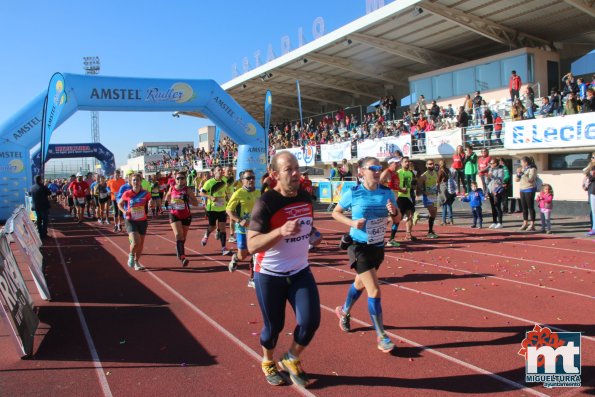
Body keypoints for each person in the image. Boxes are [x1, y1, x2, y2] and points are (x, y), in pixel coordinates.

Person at [247, 152, 320, 388]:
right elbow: (252, 245)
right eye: (289, 169)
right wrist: (280, 231)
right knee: (274, 327)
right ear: (275, 175)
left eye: (297, 168)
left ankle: (291, 356)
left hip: (300, 271)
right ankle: (268, 361)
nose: (296, 173)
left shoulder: (306, 198)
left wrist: (313, 234)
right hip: (269, 275)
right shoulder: (266, 202)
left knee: (310, 321)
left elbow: (306, 226)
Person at [332, 156, 401, 354]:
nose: (378, 171)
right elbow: (336, 213)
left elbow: (397, 219)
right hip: (358, 246)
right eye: (373, 168)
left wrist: (394, 211)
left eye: (380, 167)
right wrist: (352, 223)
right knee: (374, 290)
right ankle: (381, 336)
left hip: (377, 246)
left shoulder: (386, 192)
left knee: (359, 284)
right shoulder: (353, 192)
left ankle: (344, 311)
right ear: (361, 171)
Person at [226, 169, 260, 287]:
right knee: (243, 255)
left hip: (255, 228)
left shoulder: (258, 193)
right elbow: (229, 210)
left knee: (255, 252)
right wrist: (240, 221)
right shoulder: (238, 193)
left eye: (253, 178)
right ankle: (235, 258)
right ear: (242, 181)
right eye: (248, 178)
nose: (251, 180)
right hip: (242, 229)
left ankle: (252, 279)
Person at [164, 170, 199, 267]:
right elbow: (167, 196)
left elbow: (196, 204)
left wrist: (187, 199)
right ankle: (182, 257)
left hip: (186, 215)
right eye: (178, 178)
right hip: (174, 214)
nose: (180, 180)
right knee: (179, 235)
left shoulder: (188, 190)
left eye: (182, 178)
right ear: (175, 179)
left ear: (185, 179)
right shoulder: (172, 188)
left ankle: (179, 248)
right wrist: (167, 202)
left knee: (183, 238)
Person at [118, 173, 150, 271]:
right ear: (131, 182)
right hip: (131, 220)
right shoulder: (127, 193)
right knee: (136, 242)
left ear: (141, 181)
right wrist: (124, 211)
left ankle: (136, 262)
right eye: (134, 180)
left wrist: (151, 204)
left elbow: (149, 202)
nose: (136, 182)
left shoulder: (146, 193)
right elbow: (120, 204)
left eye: (137, 180)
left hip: (142, 220)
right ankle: (131, 255)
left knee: (140, 244)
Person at [200, 166, 232, 256]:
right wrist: (210, 197)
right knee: (212, 227)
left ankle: (223, 248)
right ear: (214, 172)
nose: (221, 171)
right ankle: (206, 235)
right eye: (219, 170)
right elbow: (201, 193)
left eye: (221, 170)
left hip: (222, 208)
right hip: (212, 209)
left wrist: (227, 199)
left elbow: (226, 192)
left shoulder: (225, 181)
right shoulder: (209, 182)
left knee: (223, 228)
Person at [379, 157, 401, 247]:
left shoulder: (396, 173)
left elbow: (396, 186)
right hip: (387, 198)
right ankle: (381, 237)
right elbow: (378, 184)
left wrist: (401, 190)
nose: (398, 164)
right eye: (396, 163)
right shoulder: (386, 172)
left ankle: (391, 239)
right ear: (391, 163)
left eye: (398, 163)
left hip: (395, 197)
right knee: (394, 218)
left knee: (397, 218)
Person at [395, 157, 416, 241]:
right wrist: (400, 190)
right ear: (401, 163)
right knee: (397, 218)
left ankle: (408, 234)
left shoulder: (410, 173)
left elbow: (410, 185)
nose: (407, 163)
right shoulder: (398, 173)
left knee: (410, 215)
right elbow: (393, 185)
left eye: (408, 162)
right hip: (399, 197)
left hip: (407, 197)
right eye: (405, 162)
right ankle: (383, 230)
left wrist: (414, 189)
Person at [515, 156, 538, 231]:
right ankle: (525, 222)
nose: (521, 164)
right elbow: (517, 180)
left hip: (529, 189)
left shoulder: (532, 169)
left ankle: (532, 224)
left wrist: (522, 174)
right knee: (524, 207)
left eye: (522, 162)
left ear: (525, 162)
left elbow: (530, 179)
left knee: (530, 207)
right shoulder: (523, 169)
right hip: (522, 189)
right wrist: (518, 174)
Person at [418, 159, 439, 239]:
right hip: (427, 197)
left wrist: (437, 189)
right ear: (426, 165)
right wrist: (424, 192)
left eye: (432, 164)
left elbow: (437, 183)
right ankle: (419, 216)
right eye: (429, 164)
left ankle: (430, 230)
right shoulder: (424, 175)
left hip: (434, 196)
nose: (431, 165)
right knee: (432, 211)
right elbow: (419, 186)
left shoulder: (435, 173)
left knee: (434, 214)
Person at [486, 158, 505, 229]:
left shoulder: (500, 170)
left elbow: (500, 180)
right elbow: (487, 182)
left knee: (497, 206)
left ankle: (500, 222)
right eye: (490, 163)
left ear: (496, 163)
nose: (490, 165)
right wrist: (487, 178)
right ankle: (494, 222)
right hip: (491, 190)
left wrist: (493, 176)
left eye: (492, 163)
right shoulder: (490, 169)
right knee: (493, 207)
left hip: (497, 190)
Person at [437, 160, 457, 225]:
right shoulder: (448, 170)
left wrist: (437, 190)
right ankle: (451, 220)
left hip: (443, 188)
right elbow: (451, 177)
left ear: (440, 165)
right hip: (449, 187)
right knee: (449, 205)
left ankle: (444, 221)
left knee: (444, 205)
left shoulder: (440, 171)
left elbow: (438, 182)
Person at [586, 166, 595, 237]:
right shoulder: (592, 167)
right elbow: (591, 178)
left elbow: (592, 178)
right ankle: (594, 228)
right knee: (593, 211)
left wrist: (590, 174)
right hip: (593, 192)